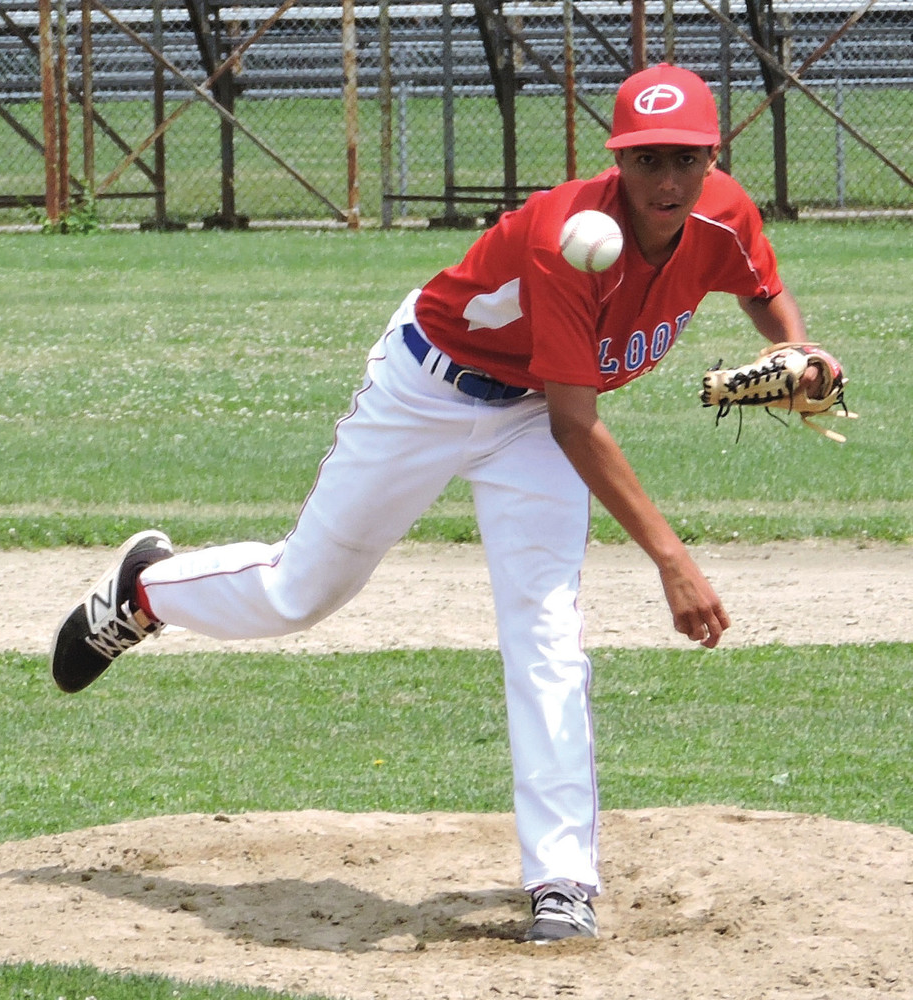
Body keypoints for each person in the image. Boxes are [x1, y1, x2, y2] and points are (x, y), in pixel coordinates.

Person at [51, 63, 819, 944]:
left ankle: (561, 879)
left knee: (546, 630)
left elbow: (761, 291)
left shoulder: (725, 212)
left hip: (528, 418)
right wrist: (673, 561)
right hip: (430, 389)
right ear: (618, 161)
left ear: (713, 154)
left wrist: (800, 352)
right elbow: (580, 425)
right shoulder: (566, 238)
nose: (669, 181)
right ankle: (145, 590)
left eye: (685, 157)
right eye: (646, 160)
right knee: (299, 594)